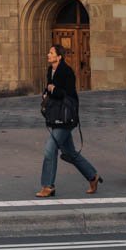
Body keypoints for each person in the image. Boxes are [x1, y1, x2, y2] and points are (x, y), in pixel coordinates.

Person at [37, 43, 102, 198]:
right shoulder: (50, 70)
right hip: (56, 116)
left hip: (66, 117)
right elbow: (50, 88)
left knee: (50, 149)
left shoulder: (67, 72)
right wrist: (46, 93)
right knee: (69, 152)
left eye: (51, 53)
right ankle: (93, 176)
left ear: (59, 57)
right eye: (49, 52)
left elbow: (68, 94)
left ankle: (48, 185)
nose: (48, 55)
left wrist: (53, 90)